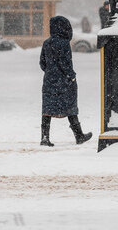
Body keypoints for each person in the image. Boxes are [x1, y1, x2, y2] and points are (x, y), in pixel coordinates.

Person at [39, 16, 92, 146]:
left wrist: (50, 72)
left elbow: (42, 63)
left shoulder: (47, 43)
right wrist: (71, 76)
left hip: (49, 81)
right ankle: (79, 135)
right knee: (70, 107)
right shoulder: (64, 43)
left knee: (47, 108)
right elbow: (65, 63)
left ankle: (45, 138)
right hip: (64, 82)